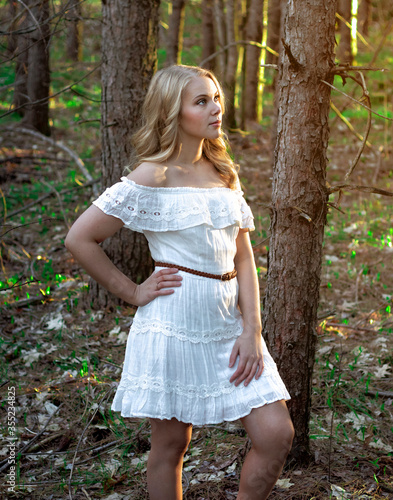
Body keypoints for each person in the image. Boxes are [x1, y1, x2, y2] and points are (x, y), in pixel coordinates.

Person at [65, 64, 294, 500]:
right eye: (201, 101)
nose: (216, 109)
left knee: (275, 434)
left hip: (231, 325)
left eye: (216, 98)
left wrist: (252, 329)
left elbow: (243, 257)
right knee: (172, 445)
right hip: (173, 324)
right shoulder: (152, 176)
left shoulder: (224, 171)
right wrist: (132, 291)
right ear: (174, 112)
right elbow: (80, 238)